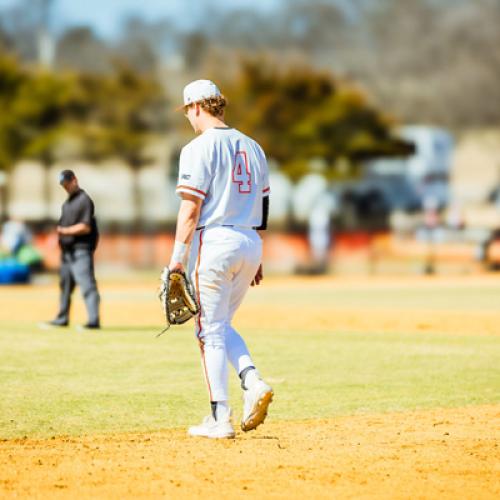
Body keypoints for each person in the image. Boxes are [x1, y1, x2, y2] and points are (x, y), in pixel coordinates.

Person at [168, 79, 273, 439]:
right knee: (222, 324)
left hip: (216, 241)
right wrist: (256, 254)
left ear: (196, 107)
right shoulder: (254, 146)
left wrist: (176, 261)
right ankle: (252, 381)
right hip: (249, 240)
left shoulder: (197, 148)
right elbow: (264, 206)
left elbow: (190, 209)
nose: (188, 118)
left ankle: (220, 418)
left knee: (207, 332)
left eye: (187, 112)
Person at [44, 170, 100, 330]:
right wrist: (57, 238)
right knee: (65, 286)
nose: (66, 188)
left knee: (87, 285)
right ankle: (62, 318)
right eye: (63, 186)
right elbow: (60, 227)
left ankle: (93, 321)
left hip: (80, 250)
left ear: (74, 180)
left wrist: (63, 232)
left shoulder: (84, 200)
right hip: (67, 252)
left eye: (67, 184)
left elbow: (85, 227)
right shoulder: (67, 203)